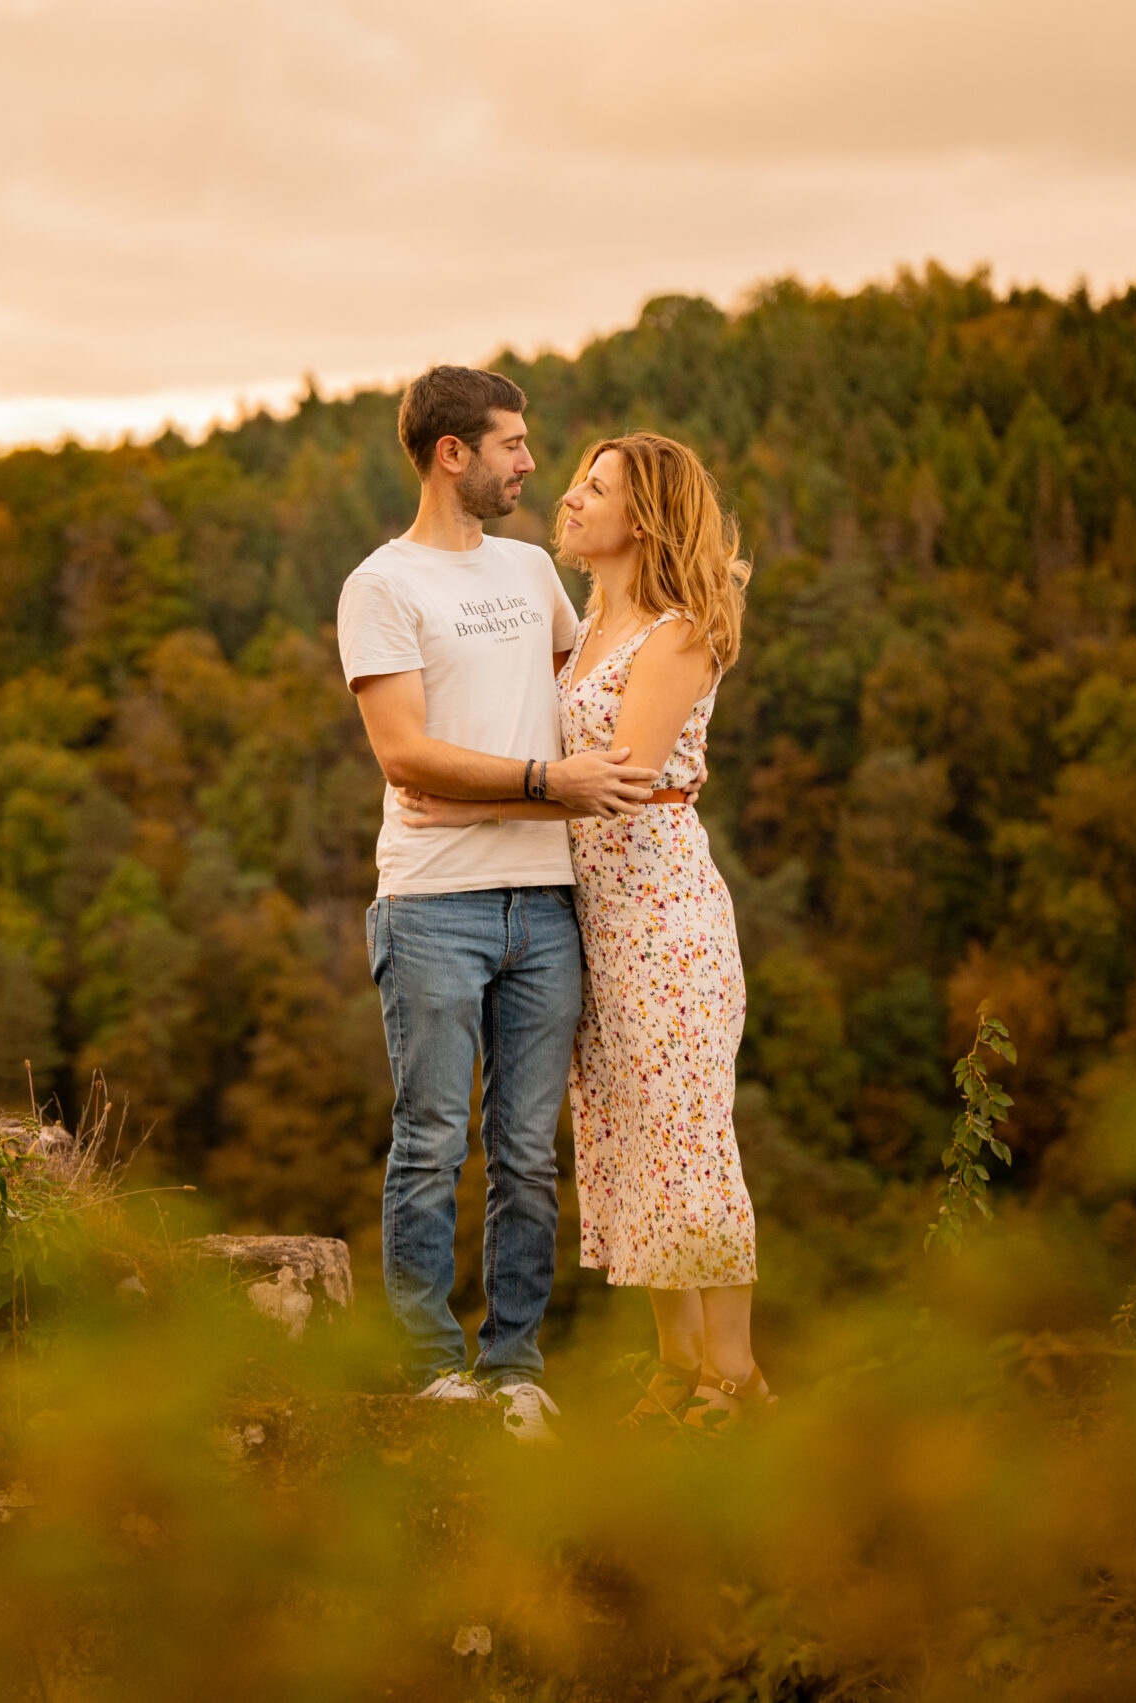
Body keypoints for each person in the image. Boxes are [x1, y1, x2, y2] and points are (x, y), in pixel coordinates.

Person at [398, 430, 768, 1426]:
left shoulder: (678, 631)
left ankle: (731, 1375)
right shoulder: (597, 617)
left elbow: (620, 782)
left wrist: (471, 802)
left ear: (640, 518)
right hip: (592, 916)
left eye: (592, 487)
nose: (566, 496)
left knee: (686, 1136)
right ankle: (675, 1361)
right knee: (626, 1137)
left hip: (662, 913)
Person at [337, 367, 659, 1442]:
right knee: (430, 1139)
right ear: (451, 454)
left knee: (527, 1149)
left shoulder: (530, 570)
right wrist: (539, 783)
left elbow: (592, 686)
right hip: (433, 903)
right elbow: (403, 753)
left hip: (551, 900)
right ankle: (428, 1369)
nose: (531, 464)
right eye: (513, 445)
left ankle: (513, 1363)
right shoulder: (380, 585)